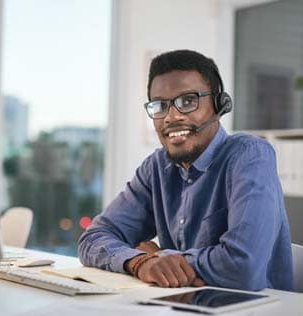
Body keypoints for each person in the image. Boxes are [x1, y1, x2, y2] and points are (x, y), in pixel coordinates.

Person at [78, 49, 293, 291]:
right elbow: (93, 238)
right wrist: (139, 261)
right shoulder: (156, 168)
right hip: (188, 311)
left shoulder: (250, 155)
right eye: (160, 105)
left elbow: (244, 267)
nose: (171, 117)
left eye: (188, 101)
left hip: (261, 315)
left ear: (218, 104)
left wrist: (162, 257)